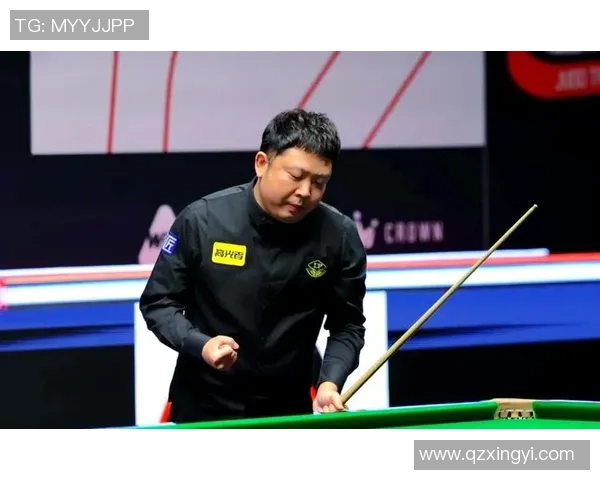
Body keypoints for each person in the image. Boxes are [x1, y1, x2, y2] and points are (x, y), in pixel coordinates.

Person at [138, 108, 367, 424]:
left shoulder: (339, 237)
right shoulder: (202, 221)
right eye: (296, 176)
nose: (305, 192)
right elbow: (158, 302)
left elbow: (348, 325)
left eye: (319, 182)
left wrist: (330, 381)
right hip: (202, 408)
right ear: (262, 163)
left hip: (288, 413)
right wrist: (201, 345)